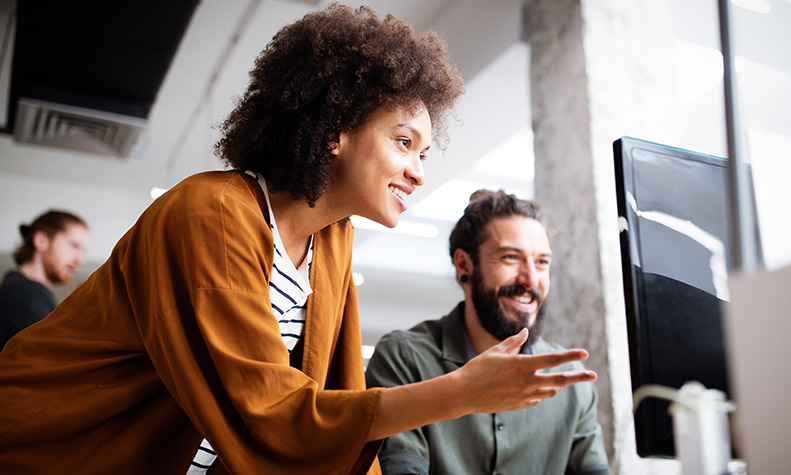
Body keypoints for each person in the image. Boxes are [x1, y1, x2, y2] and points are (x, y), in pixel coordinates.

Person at [0, 5, 596, 475]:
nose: (419, 170)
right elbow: (269, 412)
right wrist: (458, 393)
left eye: (424, 151)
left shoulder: (331, 243)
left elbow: (331, 392)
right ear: (334, 130)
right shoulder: (210, 215)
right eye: (403, 141)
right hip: (47, 449)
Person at [366, 189, 611, 475]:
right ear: (463, 265)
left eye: (542, 262)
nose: (531, 279)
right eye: (510, 257)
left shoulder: (570, 379)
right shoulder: (404, 358)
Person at [0, 210, 89, 350]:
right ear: (41, 241)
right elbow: (56, 356)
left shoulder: (24, 289)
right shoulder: (24, 292)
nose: (80, 260)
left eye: (83, 252)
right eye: (74, 246)